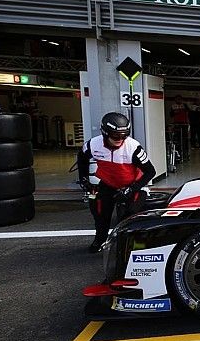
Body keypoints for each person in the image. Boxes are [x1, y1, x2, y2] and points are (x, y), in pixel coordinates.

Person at [77, 112, 156, 253]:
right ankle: (100, 240)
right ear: (105, 133)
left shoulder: (133, 147)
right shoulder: (93, 144)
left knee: (131, 216)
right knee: (101, 214)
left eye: (124, 135)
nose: (120, 139)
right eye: (115, 136)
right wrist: (84, 180)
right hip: (108, 184)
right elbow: (81, 159)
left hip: (134, 185)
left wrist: (131, 189)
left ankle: (136, 247)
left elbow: (151, 172)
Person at [169, 95, 190, 160]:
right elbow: (171, 115)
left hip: (184, 124)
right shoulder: (173, 106)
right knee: (177, 139)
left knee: (185, 139)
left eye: (180, 99)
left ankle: (186, 154)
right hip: (176, 124)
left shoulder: (185, 105)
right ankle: (178, 153)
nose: (178, 100)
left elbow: (189, 111)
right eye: (177, 99)